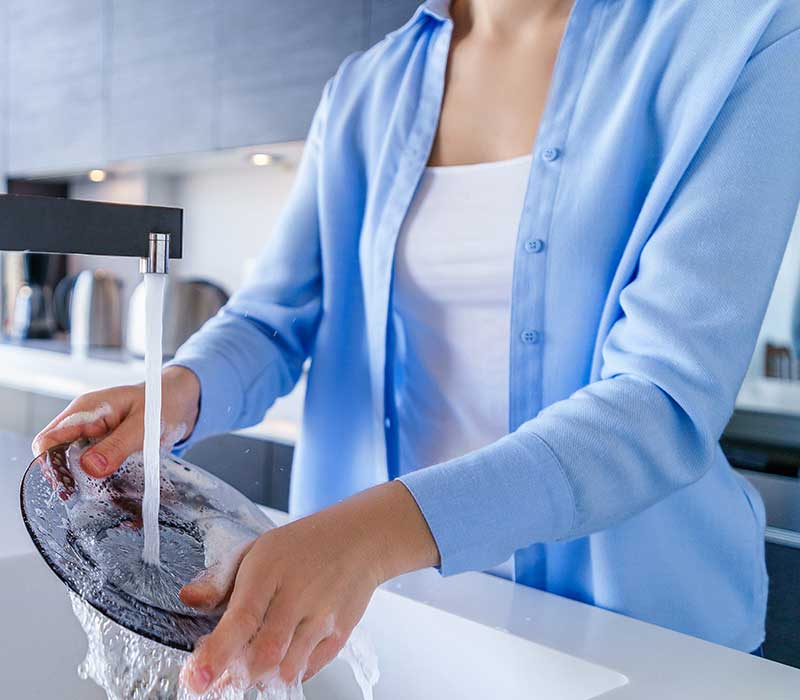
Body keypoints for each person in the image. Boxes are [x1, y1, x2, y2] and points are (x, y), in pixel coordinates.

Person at [33, 0, 800, 692]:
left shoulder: (739, 36)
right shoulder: (368, 86)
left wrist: (368, 535)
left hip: (635, 633)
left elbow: (660, 400)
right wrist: (180, 390)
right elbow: (274, 317)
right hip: (387, 610)